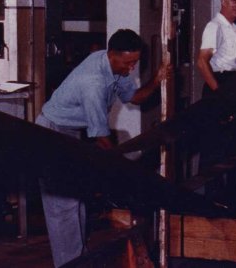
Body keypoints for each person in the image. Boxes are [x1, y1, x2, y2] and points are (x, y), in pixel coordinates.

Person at [36, 29, 170, 267]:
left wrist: (157, 79)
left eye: (135, 62)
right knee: (63, 206)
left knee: (77, 199)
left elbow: (134, 97)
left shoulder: (116, 68)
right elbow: (101, 138)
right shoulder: (93, 83)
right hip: (51, 133)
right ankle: (69, 264)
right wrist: (124, 169)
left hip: (71, 132)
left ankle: (79, 259)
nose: (132, 68)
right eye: (128, 63)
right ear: (112, 55)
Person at [194, 0, 236, 168]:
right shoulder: (214, 26)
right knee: (213, 147)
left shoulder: (233, 27)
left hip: (231, 85)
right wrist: (220, 93)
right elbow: (202, 62)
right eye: (234, 0)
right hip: (218, 86)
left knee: (229, 147)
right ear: (223, 1)